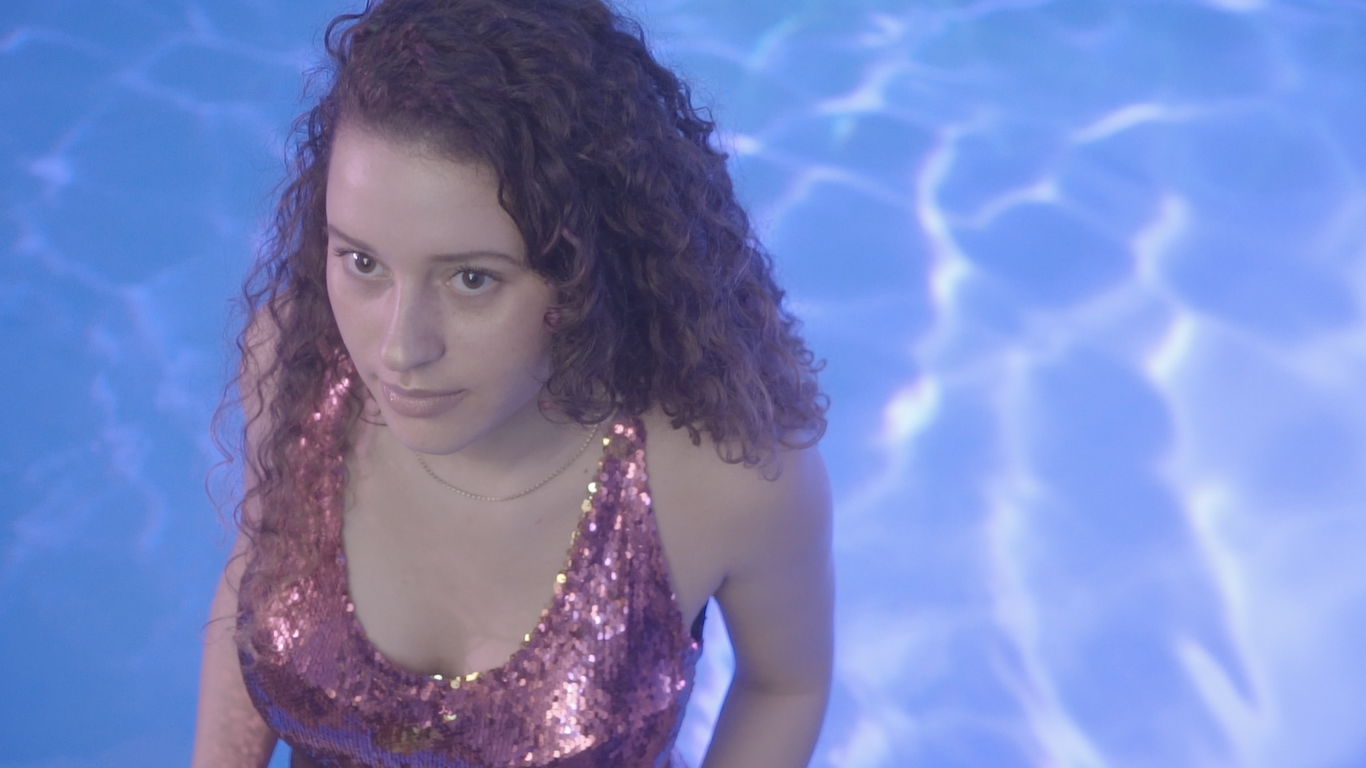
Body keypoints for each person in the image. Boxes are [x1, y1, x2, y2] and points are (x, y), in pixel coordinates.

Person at [191, 0, 833, 765]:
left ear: (585, 267)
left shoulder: (723, 474)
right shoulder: (294, 361)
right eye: (362, 262)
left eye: (471, 279)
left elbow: (784, 684)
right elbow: (256, 573)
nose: (399, 350)